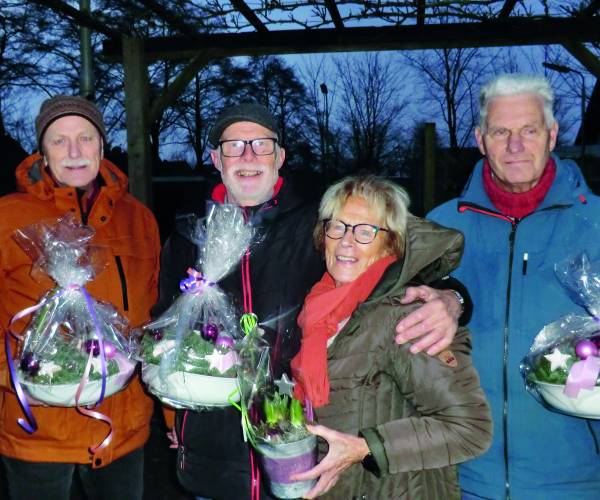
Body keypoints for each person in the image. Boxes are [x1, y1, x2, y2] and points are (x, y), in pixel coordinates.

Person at [153, 102, 471, 499]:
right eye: (234, 145)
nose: (248, 155)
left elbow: (398, 256)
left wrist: (453, 296)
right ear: (216, 159)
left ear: (280, 157)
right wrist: (173, 411)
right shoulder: (188, 237)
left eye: (261, 145)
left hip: (305, 459)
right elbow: (164, 332)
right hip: (212, 463)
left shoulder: (320, 224)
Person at [420, 73, 600, 499]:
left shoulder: (595, 224)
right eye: (501, 131)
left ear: (552, 135)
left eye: (529, 130)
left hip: (576, 483)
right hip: (462, 481)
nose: (515, 145)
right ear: (481, 139)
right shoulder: (440, 227)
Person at [288, 175, 492, 499]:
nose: (346, 242)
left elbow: (469, 428)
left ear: (391, 242)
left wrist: (366, 447)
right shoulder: (319, 310)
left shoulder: (408, 315)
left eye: (366, 231)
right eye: (337, 226)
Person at [0, 95, 160, 499]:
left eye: (85, 138)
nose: (74, 152)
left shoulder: (138, 218)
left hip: (122, 427)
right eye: (59, 140)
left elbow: (152, 312)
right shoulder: (8, 217)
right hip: (36, 426)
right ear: (42, 152)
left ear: (102, 147)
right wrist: (13, 376)